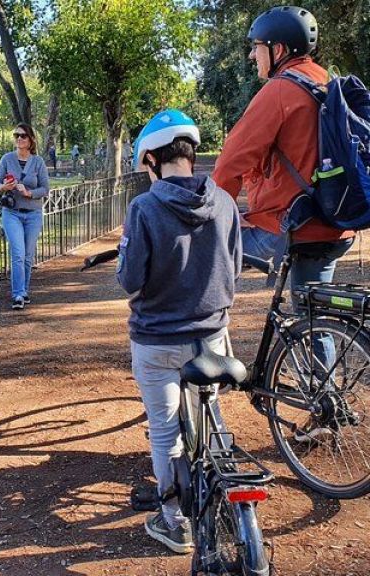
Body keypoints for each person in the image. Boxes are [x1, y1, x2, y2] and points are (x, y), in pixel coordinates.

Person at [119, 109, 241, 554]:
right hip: (212, 337)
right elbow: (235, 269)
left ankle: (176, 523)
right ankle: (228, 492)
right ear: (190, 154)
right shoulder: (225, 201)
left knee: (166, 432)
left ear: (151, 159)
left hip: (157, 341)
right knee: (213, 416)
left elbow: (130, 279)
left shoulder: (145, 207)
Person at [212, 5, 353, 294]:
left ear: (278, 49)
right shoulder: (328, 81)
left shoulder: (278, 91)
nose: (252, 55)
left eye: (256, 47)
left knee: (202, 254)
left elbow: (231, 161)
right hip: (339, 222)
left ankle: (201, 333)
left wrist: (218, 214)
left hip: (293, 225)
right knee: (314, 318)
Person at [0, 123, 50, 310]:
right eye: (16, 135)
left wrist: (28, 193)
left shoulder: (38, 162)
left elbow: (45, 188)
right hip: (12, 213)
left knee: (27, 256)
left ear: (31, 139)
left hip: (33, 213)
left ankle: (24, 291)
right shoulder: (7, 159)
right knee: (17, 253)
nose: (19, 139)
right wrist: (4, 187)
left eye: (23, 136)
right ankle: (17, 294)